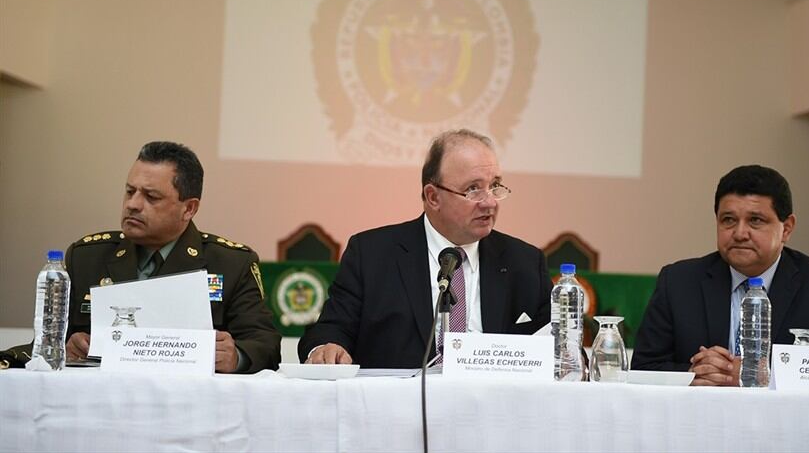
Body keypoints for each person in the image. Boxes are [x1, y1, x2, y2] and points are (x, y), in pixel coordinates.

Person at [298, 129, 552, 368]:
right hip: (398, 408)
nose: (489, 202)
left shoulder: (525, 263)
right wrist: (326, 346)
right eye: (473, 189)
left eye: (495, 186)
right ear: (433, 197)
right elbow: (331, 329)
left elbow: (555, 345)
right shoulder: (372, 254)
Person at [58, 141, 280, 373]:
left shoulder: (231, 263)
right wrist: (64, 348)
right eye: (130, 191)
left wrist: (237, 357)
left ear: (189, 209)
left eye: (151, 197)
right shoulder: (86, 257)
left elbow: (266, 346)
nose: (133, 205)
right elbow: (40, 346)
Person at [632, 165, 809, 386]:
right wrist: (694, 374)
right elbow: (643, 368)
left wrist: (758, 375)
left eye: (755, 220)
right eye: (729, 220)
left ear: (787, 228)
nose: (740, 233)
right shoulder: (678, 282)